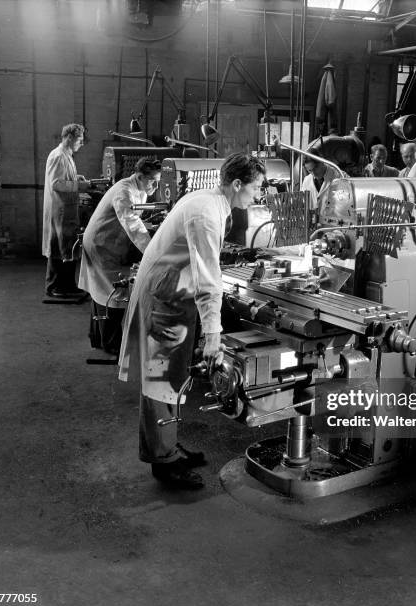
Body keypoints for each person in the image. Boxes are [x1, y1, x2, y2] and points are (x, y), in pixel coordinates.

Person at [118, 152, 266, 489]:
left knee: (173, 376)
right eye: (256, 188)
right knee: (160, 378)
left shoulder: (212, 202)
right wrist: (213, 333)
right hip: (164, 295)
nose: (257, 195)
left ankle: (167, 444)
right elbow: (207, 280)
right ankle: (163, 461)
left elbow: (204, 259)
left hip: (172, 291)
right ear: (238, 184)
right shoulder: (206, 213)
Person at [78, 158, 160, 355]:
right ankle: (112, 344)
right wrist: (153, 253)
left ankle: (98, 338)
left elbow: (137, 218)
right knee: (114, 293)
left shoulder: (139, 189)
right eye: (153, 181)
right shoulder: (124, 191)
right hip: (102, 245)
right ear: (140, 176)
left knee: (101, 292)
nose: (156, 186)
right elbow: (132, 223)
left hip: (108, 242)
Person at [42, 123, 91, 298]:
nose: (81, 143)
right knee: (59, 248)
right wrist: (80, 185)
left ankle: (68, 285)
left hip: (67, 210)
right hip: (60, 211)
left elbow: (63, 178)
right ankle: (55, 287)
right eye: (79, 139)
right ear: (69, 137)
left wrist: (76, 178)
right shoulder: (58, 156)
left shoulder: (66, 155)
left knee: (69, 248)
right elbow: (56, 184)